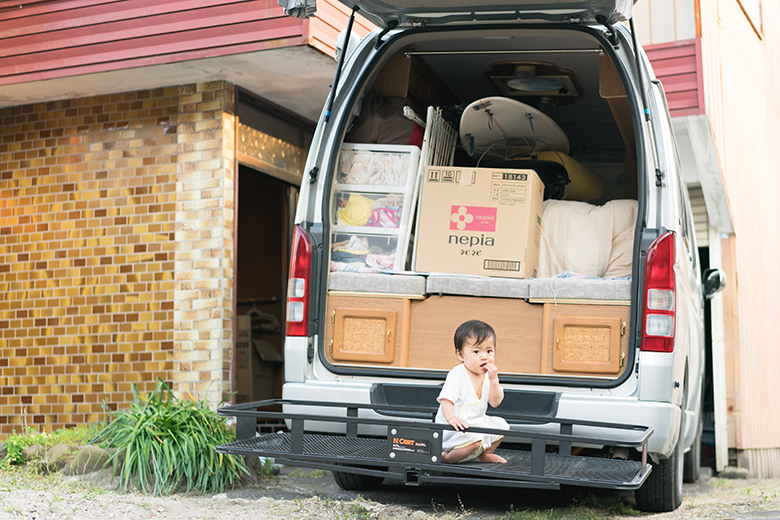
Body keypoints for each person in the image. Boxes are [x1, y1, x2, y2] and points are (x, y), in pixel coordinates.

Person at [435, 320, 509, 464]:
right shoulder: (457, 373)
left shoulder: (488, 376)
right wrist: (452, 418)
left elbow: (495, 402)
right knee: (474, 440)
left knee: (502, 425)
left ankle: (486, 454)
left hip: (476, 423)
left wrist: (494, 381)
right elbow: (446, 400)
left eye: (489, 351)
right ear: (461, 355)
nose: (484, 356)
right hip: (454, 428)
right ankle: (449, 457)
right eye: (476, 351)